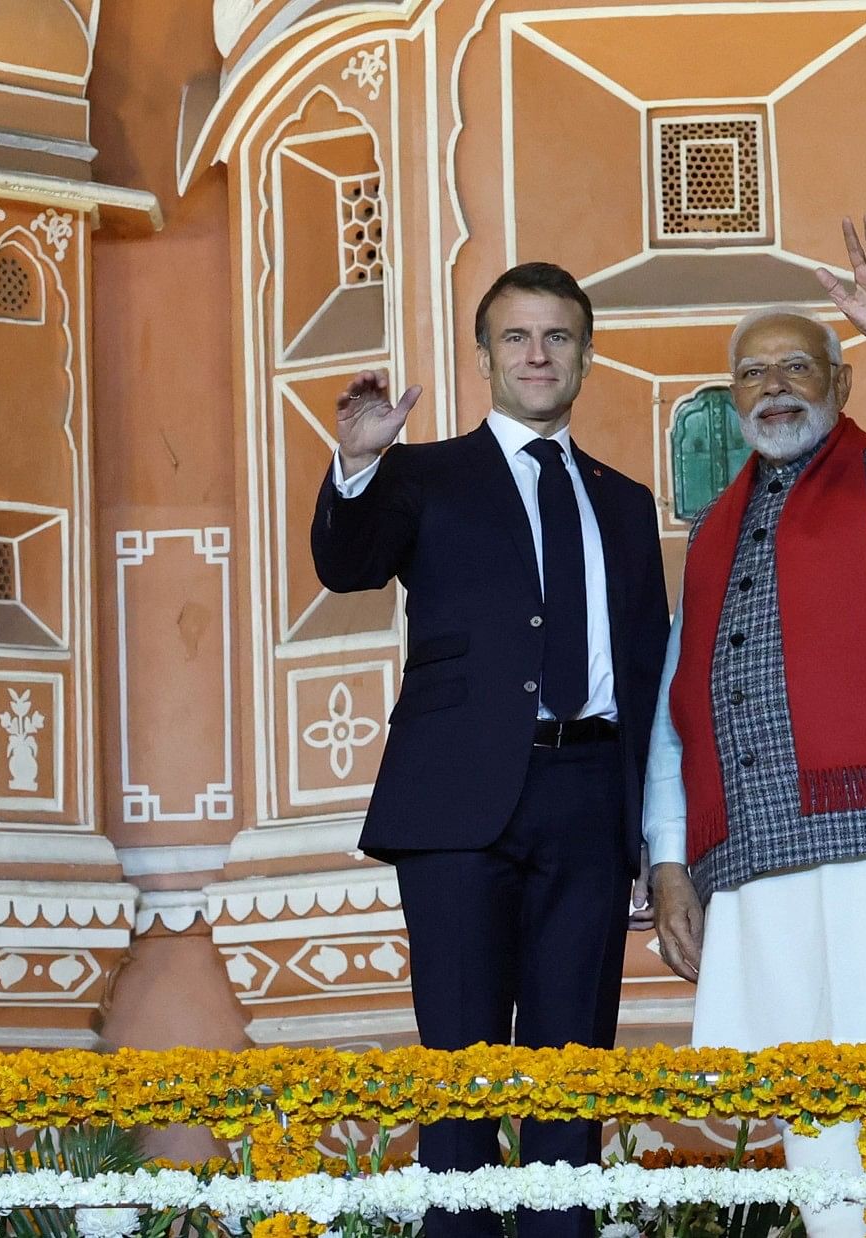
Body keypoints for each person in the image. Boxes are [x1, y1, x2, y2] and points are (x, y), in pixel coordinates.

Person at [643, 215, 866, 1238]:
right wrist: (671, 866)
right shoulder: (709, 535)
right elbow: (679, 713)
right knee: (809, 1103)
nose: (774, 386)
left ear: (838, 389)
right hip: (752, 854)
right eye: (752, 374)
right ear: (732, 397)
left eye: (799, 366)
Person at [309, 262, 669, 1238]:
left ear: (587, 358)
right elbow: (346, 562)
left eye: (558, 337)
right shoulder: (421, 474)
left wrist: (648, 835)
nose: (538, 354)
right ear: (484, 358)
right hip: (457, 806)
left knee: (568, 1088)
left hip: (590, 799)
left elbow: (645, 672)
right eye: (517, 338)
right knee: (461, 1082)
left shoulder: (626, 502)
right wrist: (357, 464)